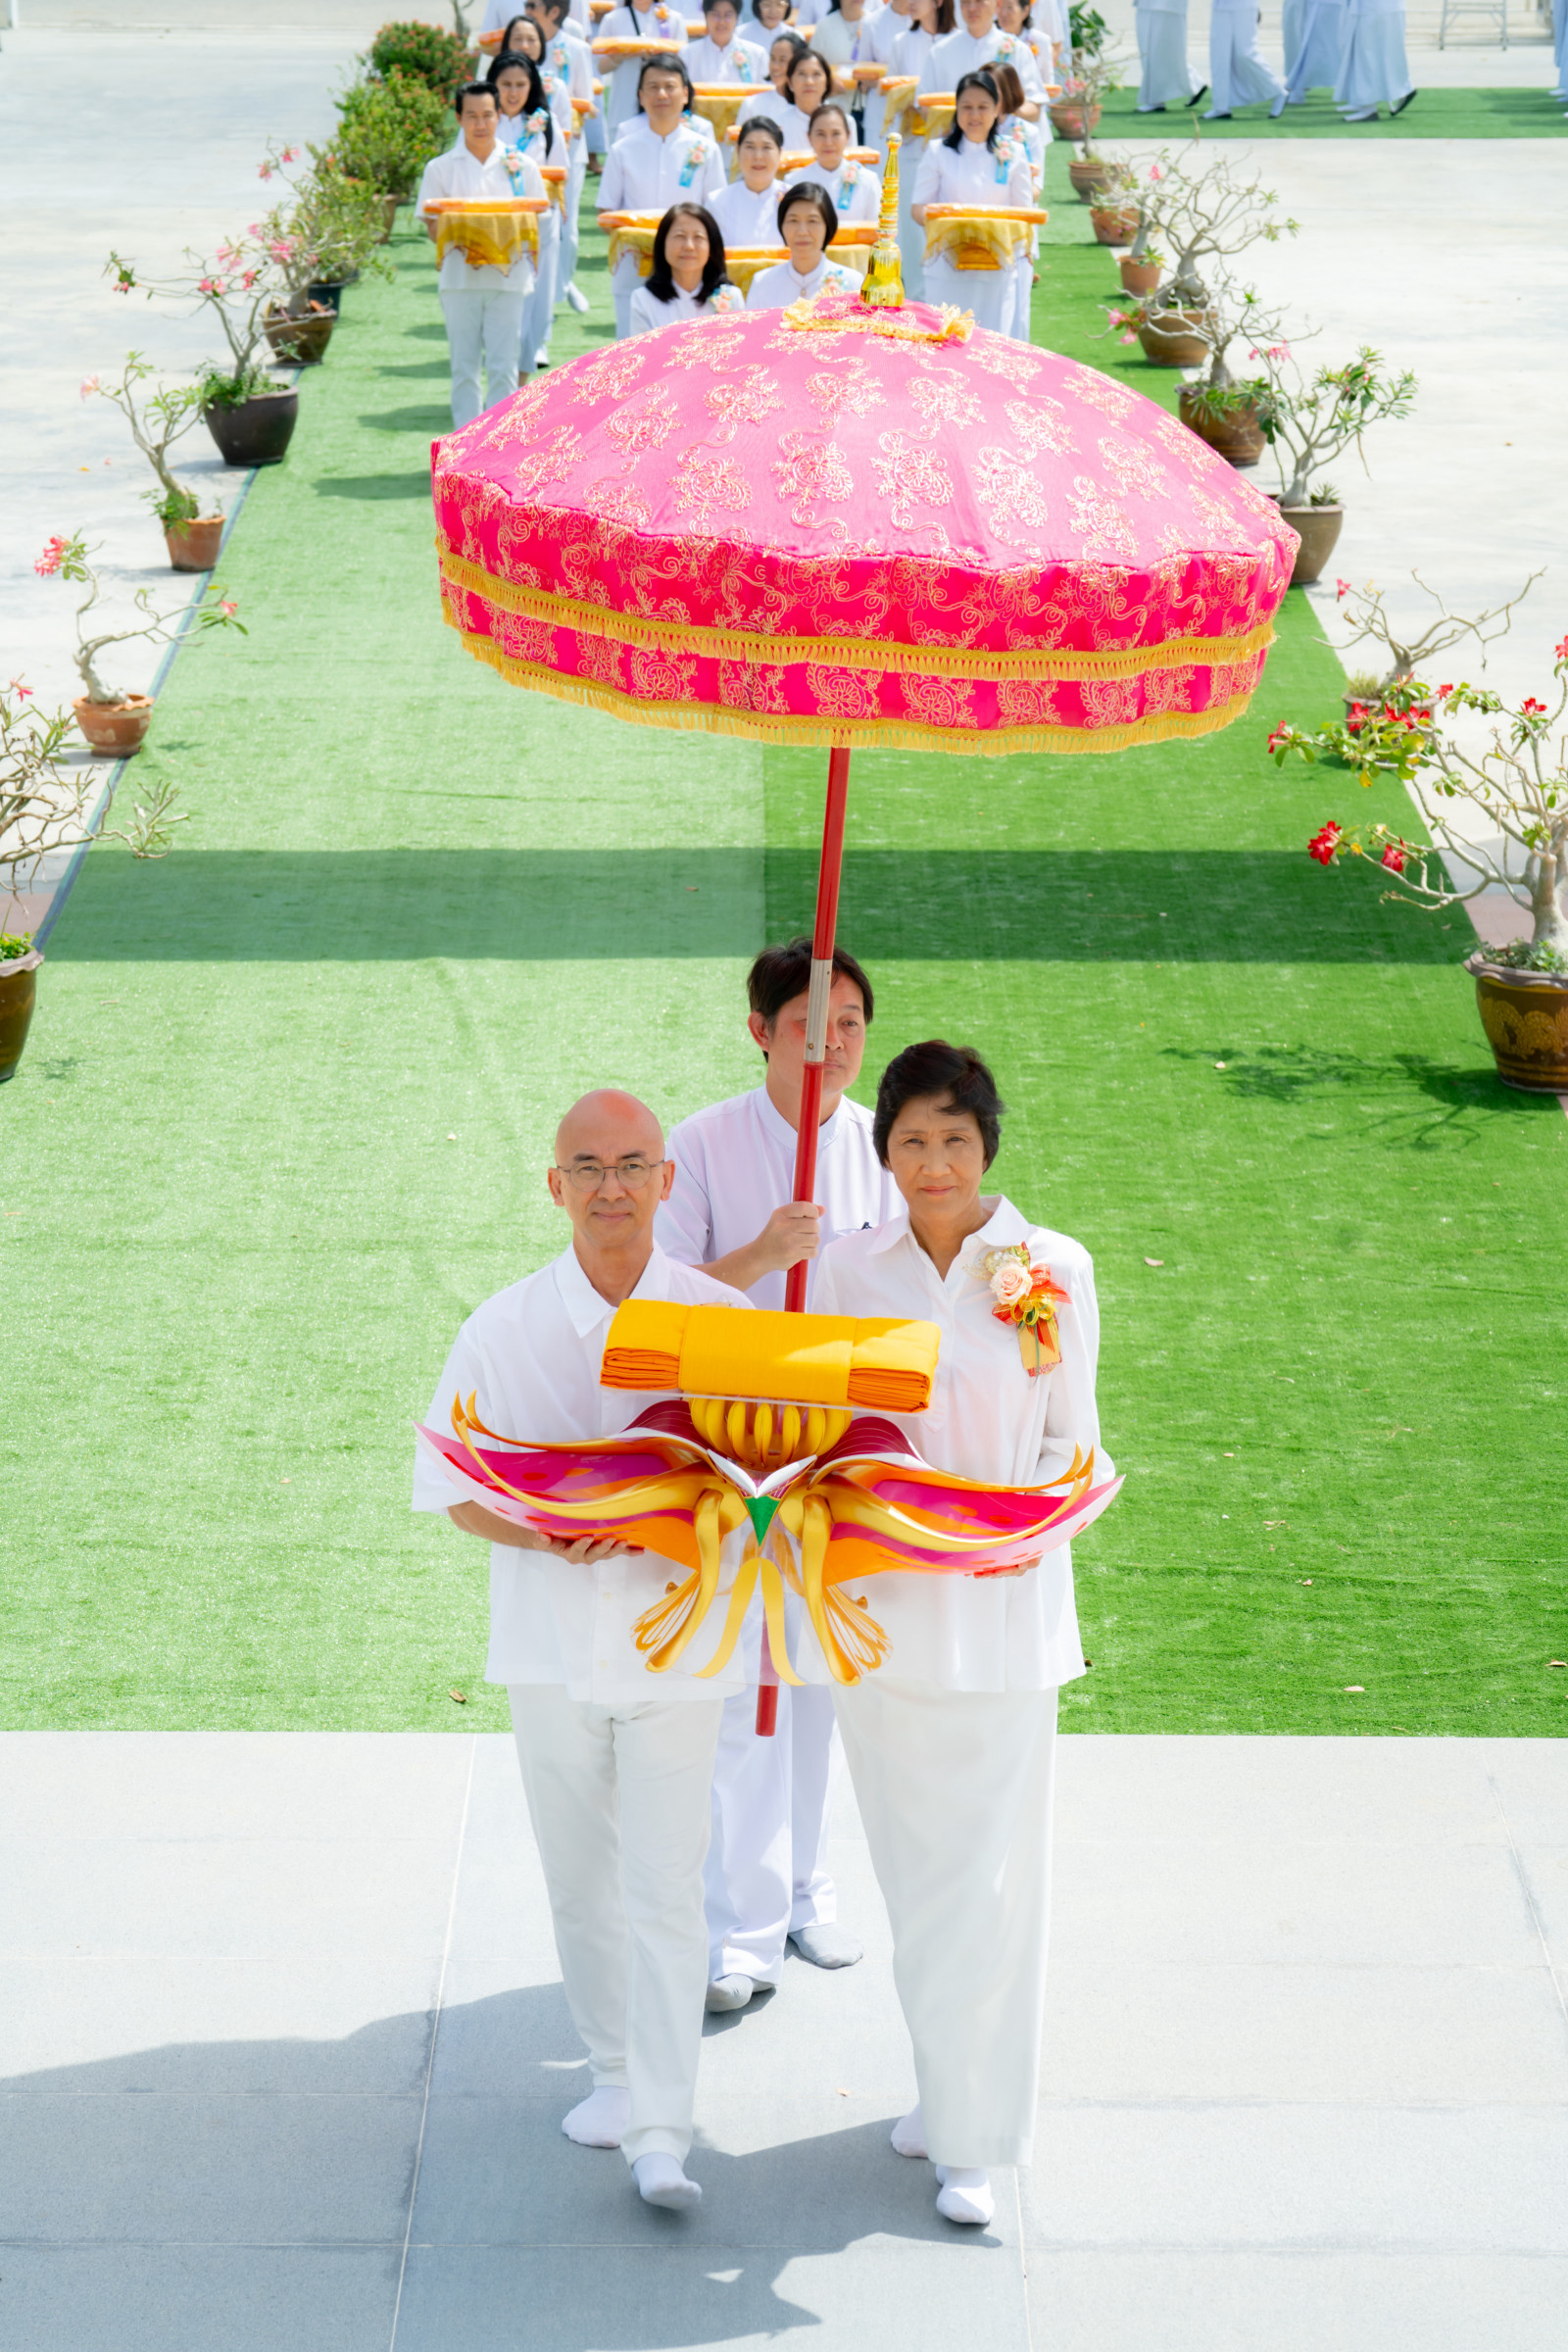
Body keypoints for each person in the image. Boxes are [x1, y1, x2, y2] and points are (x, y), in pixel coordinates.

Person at [413, 1090, 755, 2212]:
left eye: (634, 1164)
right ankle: (613, 2072)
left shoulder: (720, 1321)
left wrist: (682, 1514)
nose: (613, 1186)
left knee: (665, 1884)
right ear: (555, 1187)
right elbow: (454, 1493)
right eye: (588, 1167)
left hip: (680, 1647)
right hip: (548, 1649)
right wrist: (547, 1531)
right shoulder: (499, 1328)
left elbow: (764, 1493)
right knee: (579, 1881)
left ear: (667, 1181)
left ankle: (663, 2126)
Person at [809, 1041, 1108, 2230]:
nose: (933, 1164)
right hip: (883, 1625)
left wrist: (1020, 1526)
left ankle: (978, 2140)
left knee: (987, 1888)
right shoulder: (845, 1269)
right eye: (910, 1141)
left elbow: (1074, 1443)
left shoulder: (1049, 1266)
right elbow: (821, 1432)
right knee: (916, 1879)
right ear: (882, 1152)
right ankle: (947, 2092)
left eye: (955, 1140)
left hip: (1001, 1617)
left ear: (987, 1147)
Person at [656, 939, 900, 2011]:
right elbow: (660, 1305)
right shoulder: (700, 1146)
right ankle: (737, 1927)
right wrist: (759, 1256)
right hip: (732, 1446)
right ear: (761, 1030)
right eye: (810, 1024)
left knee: (819, 1677)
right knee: (746, 1688)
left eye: (849, 1024)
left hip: (839, 1446)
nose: (831, 1043)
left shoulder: (885, 1148)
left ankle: (809, 1890)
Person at [417, 81, 545, 429]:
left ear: (499, 116)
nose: (480, 124)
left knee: (504, 368)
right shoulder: (440, 168)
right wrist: (472, 231)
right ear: (458, 117)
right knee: (464, 367)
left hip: (509, 281)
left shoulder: (523, 166)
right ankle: (463, 447)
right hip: (460, 281)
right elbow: (432, 229)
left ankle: (497, 448)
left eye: (488, 115)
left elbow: (536, 223)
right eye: (471, 115)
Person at [599, 57, 727, 334]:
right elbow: (606, 213)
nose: (662, 94)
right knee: (631, 354)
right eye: (653, 87)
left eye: (670, 86)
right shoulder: (623, 150)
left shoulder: (705, 149)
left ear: (685, 94)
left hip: (690, 269)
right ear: (641, 96)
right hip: (634, 267)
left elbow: (715, 214)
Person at [911, 69, 1032, 334]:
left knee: (992, 341)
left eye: (982, 107)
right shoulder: (938, 152)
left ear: (997, 108)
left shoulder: (1014, 153)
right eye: (966, 107)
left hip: (997, 266)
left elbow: (1025, 214)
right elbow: (918, 208)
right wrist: (949, 222)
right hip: (947, 264)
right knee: (946, 340)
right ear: (956, 109)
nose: (974, 115)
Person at [483, 51, 563, 370]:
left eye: (520, 84)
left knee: (537, 300)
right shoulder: (484, 120)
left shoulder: (546, 122)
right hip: (494, 225)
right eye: (505, 84)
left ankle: (526, 370)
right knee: (499, 297)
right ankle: (499, 366)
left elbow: (559, 174)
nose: (513, 93)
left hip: (539, 224)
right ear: (492, 85)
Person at [524, 0, 598, 308]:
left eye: (533, 5)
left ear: (553, 11)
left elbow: (588, 102)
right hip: (525, 152)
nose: (526, 10)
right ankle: (537, 291)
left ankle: (562, 287)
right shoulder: (522, 47)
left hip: (569, 150)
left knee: (567, 225)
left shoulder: (577, 48)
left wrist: (564, 125)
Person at [628, 200, 746, 326]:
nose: (689, 246)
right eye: (680, 236)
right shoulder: (644, 299)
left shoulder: (731, 297)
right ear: (663, 244)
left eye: (698, 237)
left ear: (711, 247)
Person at [745, 178, 861, 303]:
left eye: (812, 221)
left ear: (828, 226)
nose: (802, 231)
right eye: (793, 220)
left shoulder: (852, 283)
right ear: (781, 225)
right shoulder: (762, 283)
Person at [918, 0, 1047, 106]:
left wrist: (998, 111)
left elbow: (1034, 104)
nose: (972, 8)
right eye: (966, 2)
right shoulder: (940, 51)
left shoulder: (1018, 50)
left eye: (979, 1)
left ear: (997, 4)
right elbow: (923, 103)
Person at [599, 0, 689, 136]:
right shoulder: (613, 19)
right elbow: (600, 66)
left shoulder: (673, 18)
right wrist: (620, 57)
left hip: (663, 102)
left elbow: (683, 61)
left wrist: (660, 57)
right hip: (624, 102)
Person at [782, 101, 881, 220]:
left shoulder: (868, 180)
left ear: (848, 136)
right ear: (809, 137)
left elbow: (878, 230)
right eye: (821, 134)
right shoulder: (794, 181)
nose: (828, 142)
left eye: (836, 134)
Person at [709, 114, 790, 246]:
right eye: (750, 147)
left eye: (766, 147)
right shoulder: (717, 202)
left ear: (780, 152)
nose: (758, 156)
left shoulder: (793, 199)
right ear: (738, 150)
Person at [1331, 0, 1414, 121]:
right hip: (1376, 8)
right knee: (1368, 52)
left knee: (1366, 53)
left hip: (1373, 9)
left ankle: (1368, 107)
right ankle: (1363, 101)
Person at [1204, 0, 1284, 117]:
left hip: (1244, 5)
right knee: (1219, 55)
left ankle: (1277, 91)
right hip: (1220, 6)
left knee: (1245, 53)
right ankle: (1221, 107)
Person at [1134, 0, 1201, 112]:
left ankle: (1156, 99)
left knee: (1159, 49)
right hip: (1150, 5)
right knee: (1155, 49)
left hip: (1166, 6)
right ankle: (1194, 82)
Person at [685, 0, 770, 82]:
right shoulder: (688, 54)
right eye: (715, 15)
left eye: (728, 15)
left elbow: (766, 93)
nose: (721, 22)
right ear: (706, 17)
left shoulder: (758, 54)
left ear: (737, 18)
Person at [769, 40, 834, 147]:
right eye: (801, 74)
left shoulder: (843, 123)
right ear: (789, 83)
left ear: (826, 82)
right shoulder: (777, 124)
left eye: (816, 74)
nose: (809, 81)